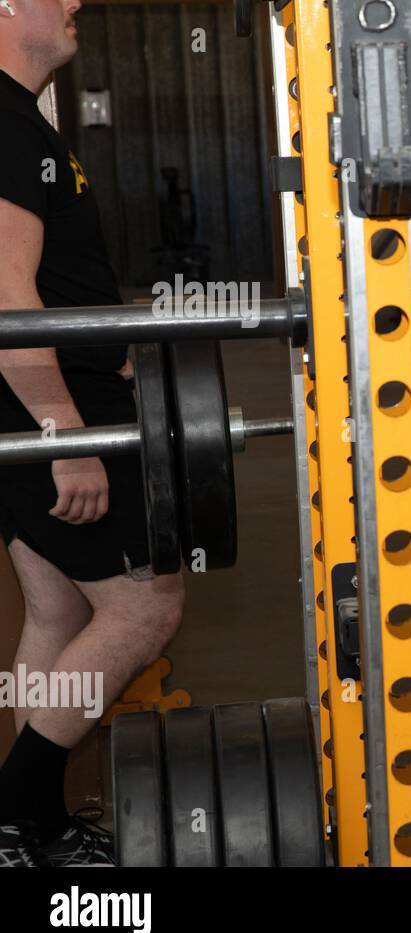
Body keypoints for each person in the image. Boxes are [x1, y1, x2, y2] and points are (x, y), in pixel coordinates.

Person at [0, 0, 185, 867]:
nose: (75, 1)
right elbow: (6, 297)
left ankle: (22, 826)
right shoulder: (2, 120)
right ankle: (19, 810)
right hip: (45, 406)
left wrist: (108, 349)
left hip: (52, 396)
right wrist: (64, 434)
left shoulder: (24, 122)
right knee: (147, 602)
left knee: (59, 607)